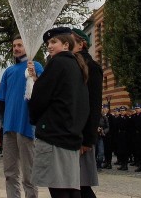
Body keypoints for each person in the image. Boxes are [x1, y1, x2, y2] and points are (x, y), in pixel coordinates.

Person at [28, 27, 89, 198]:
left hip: (54, 136)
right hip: (71, 136)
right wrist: (36, 79)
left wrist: (35, 119)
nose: (49, 46)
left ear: (66, 45)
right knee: (71, 188)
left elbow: (41, 98)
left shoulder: (57, 62)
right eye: (48, 43)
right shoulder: (76, 65)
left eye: (53, 42)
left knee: (58, 189)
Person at [0, 35, 44, 198]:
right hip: (8, 127)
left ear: (27, 47)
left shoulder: (36, 66)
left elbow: (44, 93)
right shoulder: (8, 71)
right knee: (10, 172)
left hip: (27, 126)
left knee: (29, 174)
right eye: (14, 45)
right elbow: (2, 101)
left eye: (20, 45)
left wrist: (35, 76)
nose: (16, 48)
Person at [72, 28, 103, 198]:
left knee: (82, 185)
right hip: (71, 133)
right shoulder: (71, 64)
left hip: (82, 136)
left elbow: (94, 104)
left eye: (71, 41)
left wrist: (88, 139)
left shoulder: (92, 67)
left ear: (82, 44)